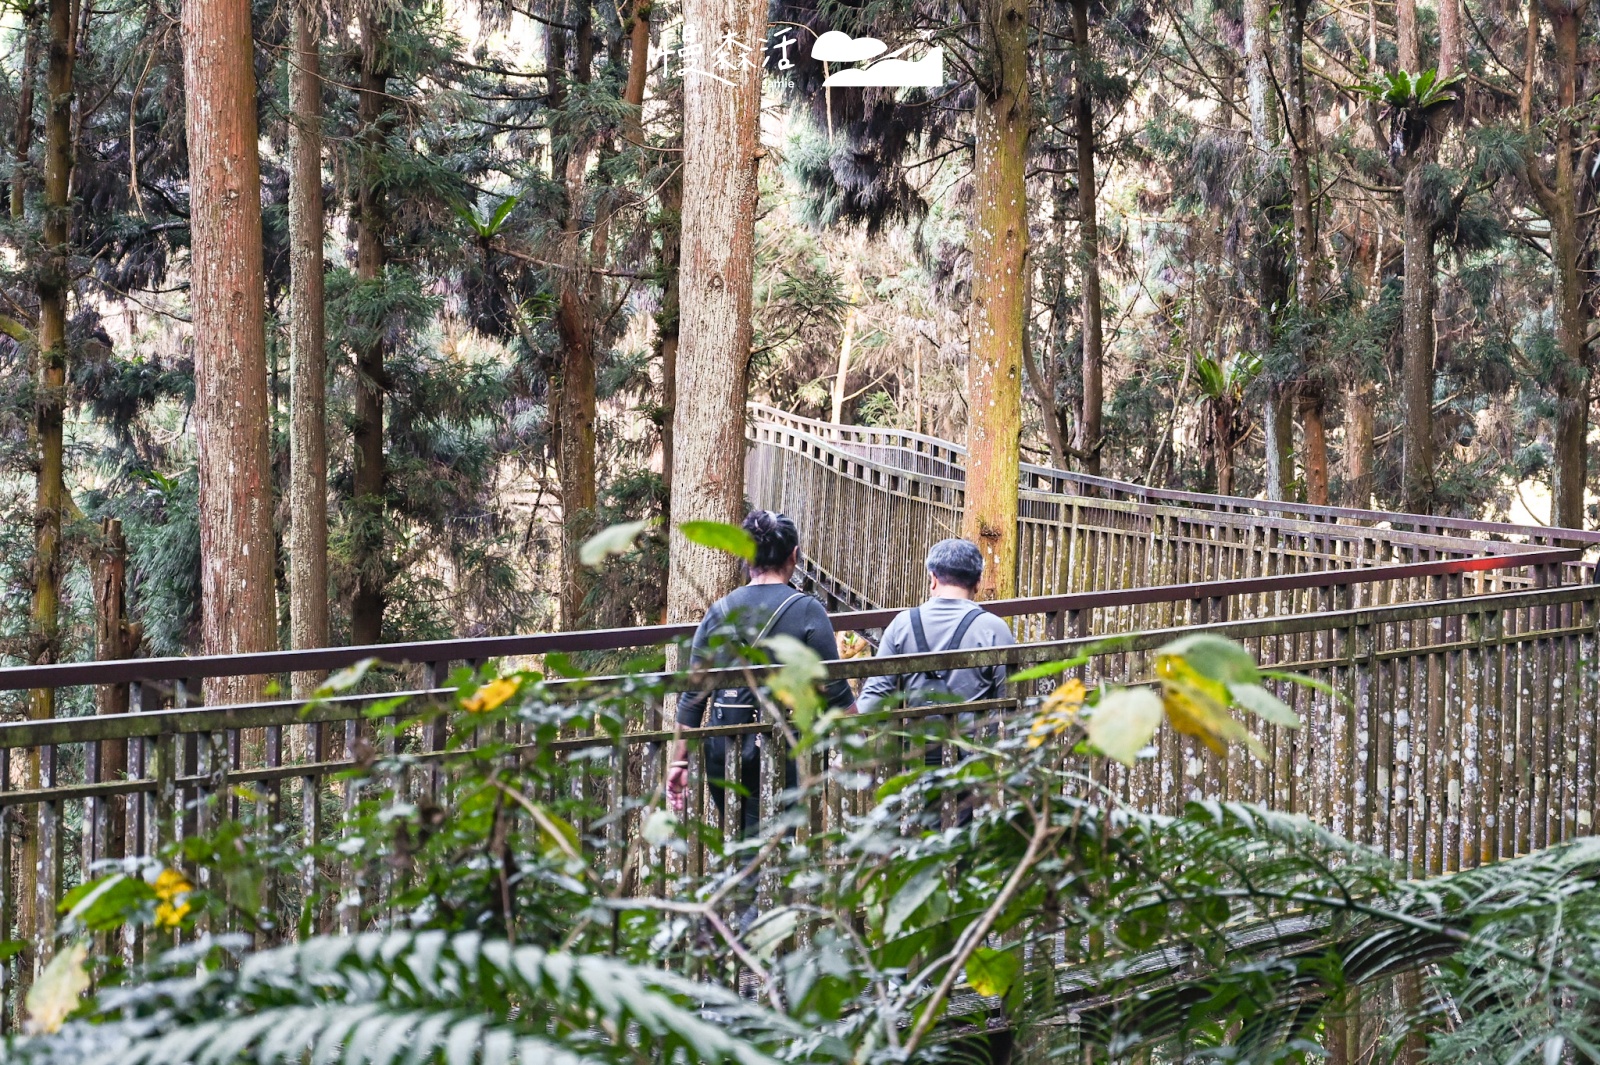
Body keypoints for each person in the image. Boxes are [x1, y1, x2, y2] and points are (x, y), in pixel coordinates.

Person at [666, 510, 855, 834]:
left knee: (741, 840)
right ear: (794, 556)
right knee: (776, 846)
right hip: (789, 750)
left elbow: (693, 697)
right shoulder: (808, 610)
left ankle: (743, 882)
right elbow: (835, 691)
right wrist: (859, 739)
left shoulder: (719, 612)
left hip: (725, 749)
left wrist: (679, 761)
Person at [856, 538, 1016, 765]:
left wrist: (851, 744)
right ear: (978, 583)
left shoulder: (902, 624)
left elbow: (876, 693)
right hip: (973, 761)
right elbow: (1009, 698)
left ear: (932, 579)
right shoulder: (994, 628)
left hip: (917, 756)